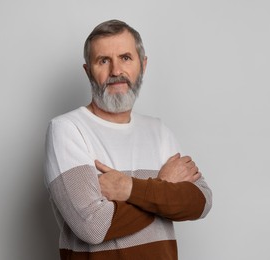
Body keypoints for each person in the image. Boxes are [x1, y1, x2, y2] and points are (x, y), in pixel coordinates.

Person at [44, 19, 212, 260]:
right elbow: (93, 227)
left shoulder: (159, 131)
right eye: (103, 61)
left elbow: (201, 202)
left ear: (142, 65)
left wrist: (128, 188)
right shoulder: (67, 129)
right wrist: (163, 184)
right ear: (88, 70)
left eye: (125, 58)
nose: (116, 71)